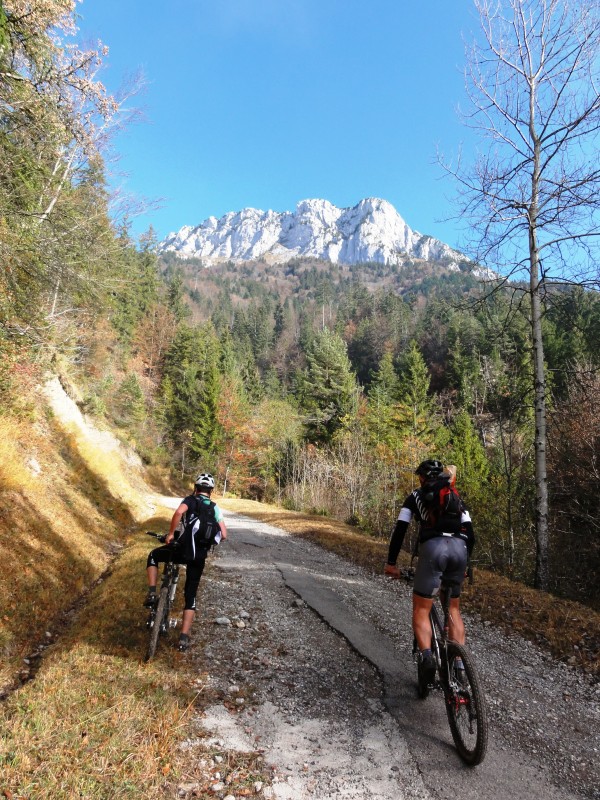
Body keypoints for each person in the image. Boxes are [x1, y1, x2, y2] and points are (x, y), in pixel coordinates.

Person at [384, 459, 475, 686]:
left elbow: (400, 530)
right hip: (459, 550)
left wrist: (391, 562)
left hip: (433, 550)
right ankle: (459, 667)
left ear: (422, 478)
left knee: (421, 609)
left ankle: (427, 658)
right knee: (453, 608)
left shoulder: (414, 497)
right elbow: (471, 534)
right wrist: (464, 566)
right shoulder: (454, 496)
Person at [144, 472, 228, 651]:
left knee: (153, 555)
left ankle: (152, 593)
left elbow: (178, 513)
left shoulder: (190, 500)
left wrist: (171, 534)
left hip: (181, 551)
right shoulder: (214, 508)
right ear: (211, 491)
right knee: (191, 595)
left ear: (195, 488)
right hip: (198, 557)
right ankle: (183, 638)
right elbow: (224, 535)